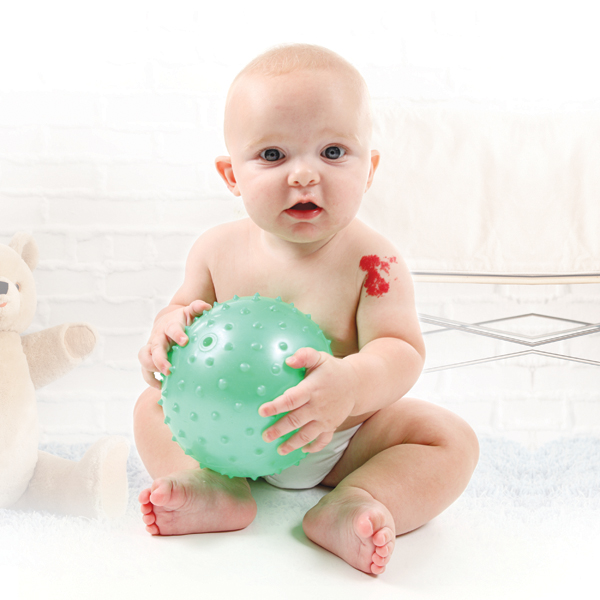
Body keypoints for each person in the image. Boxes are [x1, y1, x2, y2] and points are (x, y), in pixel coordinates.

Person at [134, 43, 479, 576]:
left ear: (370, 169)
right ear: (232, 176)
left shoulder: (374, 262)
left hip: (344, 438)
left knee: (449, 440)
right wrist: (165, 334)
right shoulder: (214, 249)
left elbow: (401, 349)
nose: (303, 175)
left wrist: (351, 385)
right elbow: (182, 310)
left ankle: (356, 500)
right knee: (148, 408)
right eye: (273, 155)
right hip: (230, 432)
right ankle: (216, 487)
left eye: (334, 152)